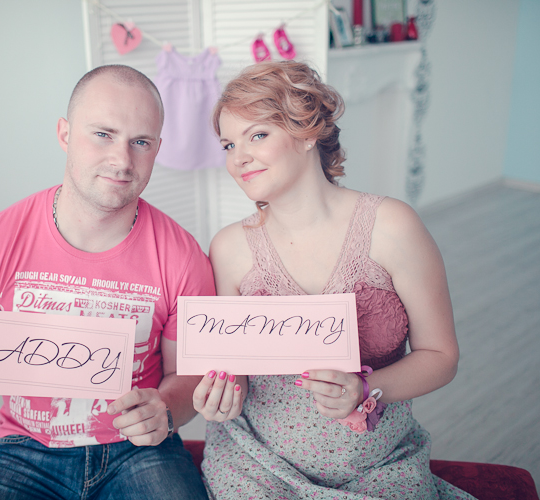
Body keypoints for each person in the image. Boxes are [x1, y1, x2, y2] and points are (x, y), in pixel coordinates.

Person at [0, 64, 214, 500]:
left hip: (141, 449)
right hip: (24, 447)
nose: (122, 160)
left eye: (140, 142)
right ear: (65, 134)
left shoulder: (181, 254)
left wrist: (167, 409)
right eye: (102, 134)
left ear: (157, 148)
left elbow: (186, 373)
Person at [192, 61, 475, 499]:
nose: (238, 158)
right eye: (229, 144)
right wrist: (221, 394)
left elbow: (441, 356)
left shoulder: (392, 226)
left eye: (257, 135)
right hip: (255, 464)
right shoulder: (229, 248)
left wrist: (366, 388)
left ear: (307, 132)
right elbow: (236, 373)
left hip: (378, 464)